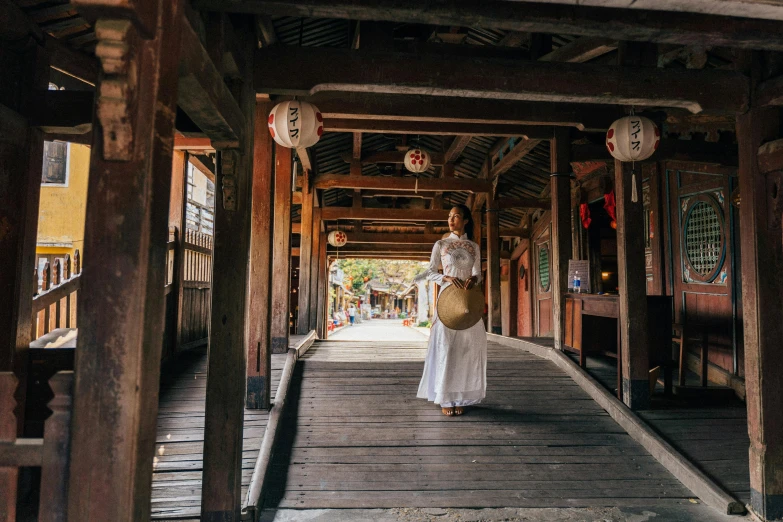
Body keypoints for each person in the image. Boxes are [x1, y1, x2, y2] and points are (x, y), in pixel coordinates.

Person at [417, 204, 486, 417]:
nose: (451, 219)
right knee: (446, 346)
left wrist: (474, 279)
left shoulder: (473, 245)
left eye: (456, 216)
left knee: (467, 347)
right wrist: (445, 277)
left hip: (468, 298)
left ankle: (460, 394)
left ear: (465, 220)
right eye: (449, 216)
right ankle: (446, 396)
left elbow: (478, 273)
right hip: (448, 297)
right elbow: (429, 272)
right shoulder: (441, 244)